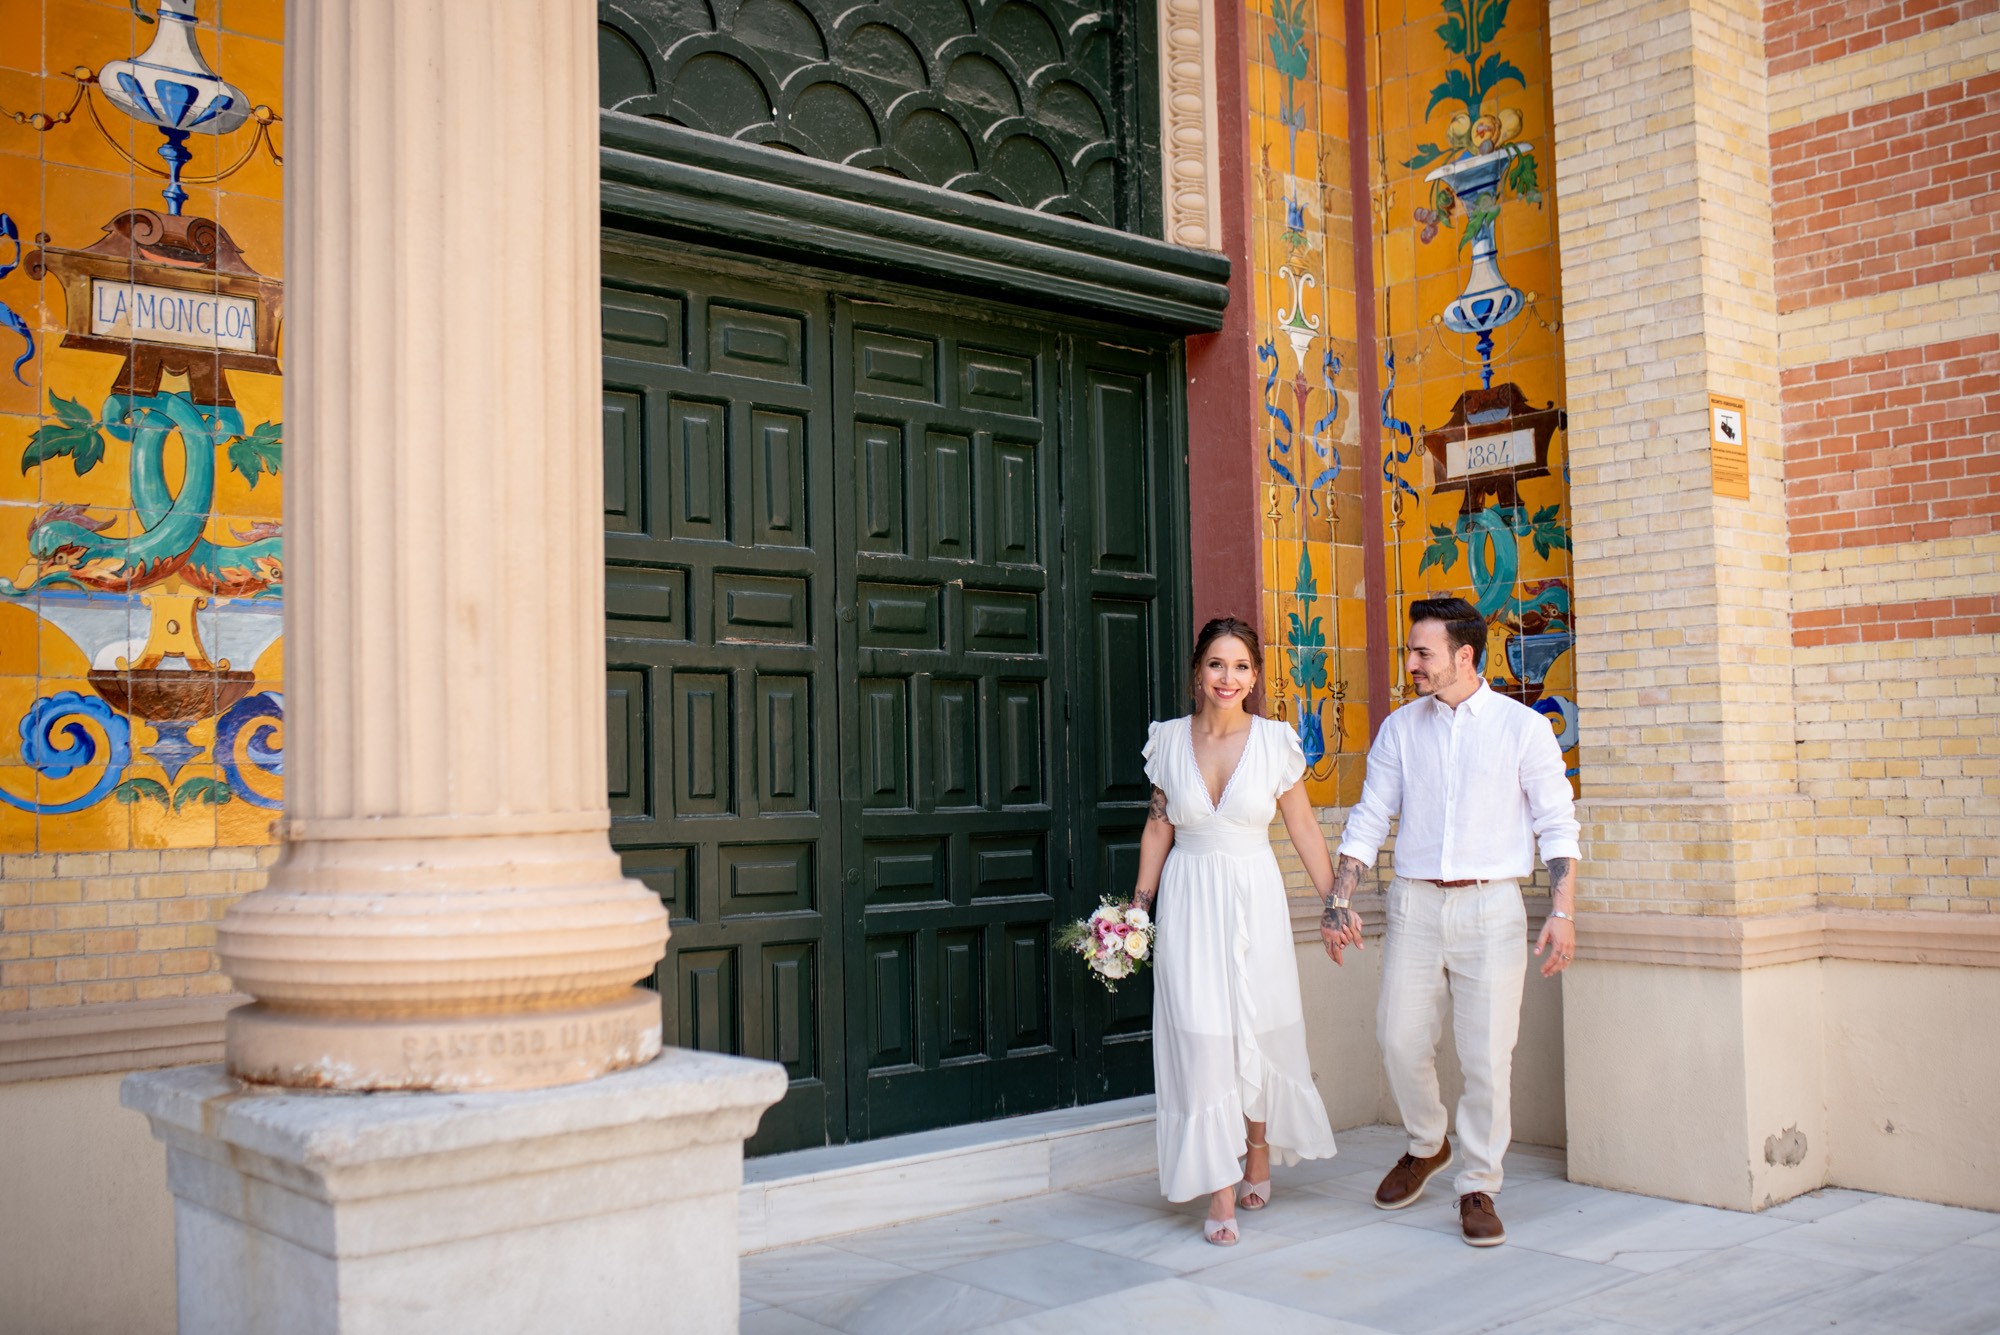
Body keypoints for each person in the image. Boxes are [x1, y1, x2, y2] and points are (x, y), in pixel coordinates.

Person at [1322, 596, 1579, 1247]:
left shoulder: (1524, 729)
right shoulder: (1402, 728)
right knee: (1398, 1037)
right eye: (1411, 651)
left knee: (1488, 1054)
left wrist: (1564, 910)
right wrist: (1339, 896)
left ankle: (1478, 1183)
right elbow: (1371, 815)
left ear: (1464, 656)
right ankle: (1427, 1141)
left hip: (1493, 906)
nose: (1410, 663)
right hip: (1414, 902)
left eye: (1421, 652)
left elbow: (1556, 822)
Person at [1131, 616, 1356, 1246]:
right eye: (1216, 666)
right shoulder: (1168, 743)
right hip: (1190, 900)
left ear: (1255, 677)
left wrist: (1334, 903)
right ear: (1197, 673)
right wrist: (1138, 908)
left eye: (1241, 667)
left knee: (1257, 1025)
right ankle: (1219, 1188)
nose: (1228, 678)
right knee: (1202, 1038)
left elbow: (1305, 829)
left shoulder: (1278, 742)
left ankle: (1258, 1146)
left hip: (1255, 897)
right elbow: (1158, 826)